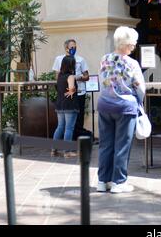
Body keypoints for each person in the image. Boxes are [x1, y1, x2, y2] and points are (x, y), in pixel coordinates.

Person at [96, 26, 145, 194]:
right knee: (122, 145)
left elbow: (101, 79)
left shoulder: (104, 59)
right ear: (127, 43)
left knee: (105, 145)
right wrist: (139, 102)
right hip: (125, 107)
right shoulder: (132, 63)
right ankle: (119, 182)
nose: (134, 46)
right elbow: (140, 88)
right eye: (133, 43)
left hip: (104, 105)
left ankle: (103, 181)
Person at [52, 39, 90, 141]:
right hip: (67, 97)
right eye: (72, 47)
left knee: (73, 122)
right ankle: (68, 148)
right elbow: (58, 78)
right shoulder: (59, 59)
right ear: (66, 48)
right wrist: (71, 84)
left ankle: (56, 148)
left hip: (76, 94)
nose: (74, 49)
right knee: (68, 126)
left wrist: (78, 78)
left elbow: (87, 76)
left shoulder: (80, 59)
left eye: (75, 47)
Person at [51, 56, 79, 158]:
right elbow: (71, 88)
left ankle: (54, 150)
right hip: (69, 105)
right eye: (74, 63)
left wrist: (70, 90)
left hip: (60, 104)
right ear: (71, 65)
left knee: (60, 127)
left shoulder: (59, 76)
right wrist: (74, 90)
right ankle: (67, 152)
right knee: (69, 128)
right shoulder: (70, 76)